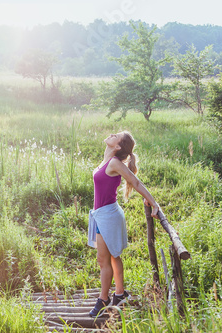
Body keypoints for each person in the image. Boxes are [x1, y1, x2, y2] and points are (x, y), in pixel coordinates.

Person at [87, 131, 159, 318]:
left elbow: (135, 181)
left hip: (108, 216)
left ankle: (103, 299)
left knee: (104, 260)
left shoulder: (114, 163)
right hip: (103, 214)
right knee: (112, 257)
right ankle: (119, 294)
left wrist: (154, 202)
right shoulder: (107, 161)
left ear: (118, 146)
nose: (112, 134)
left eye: (116, 135)